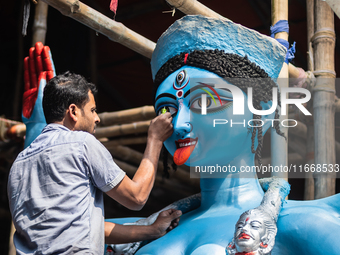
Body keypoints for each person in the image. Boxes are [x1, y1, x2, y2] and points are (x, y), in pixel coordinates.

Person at [128, 15, 340, 255]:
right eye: (166, 109)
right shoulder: (133, 232)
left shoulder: (307, 225)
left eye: (205, 101)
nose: (178, 124)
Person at [7, 43, 181, 254]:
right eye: (92, 110)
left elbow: (89, 228)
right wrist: (155, 140)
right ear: (73, 111)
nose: (97, 118)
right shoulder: (81, 143)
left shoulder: (19, 163)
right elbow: (137, 197)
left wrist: (152, 230)